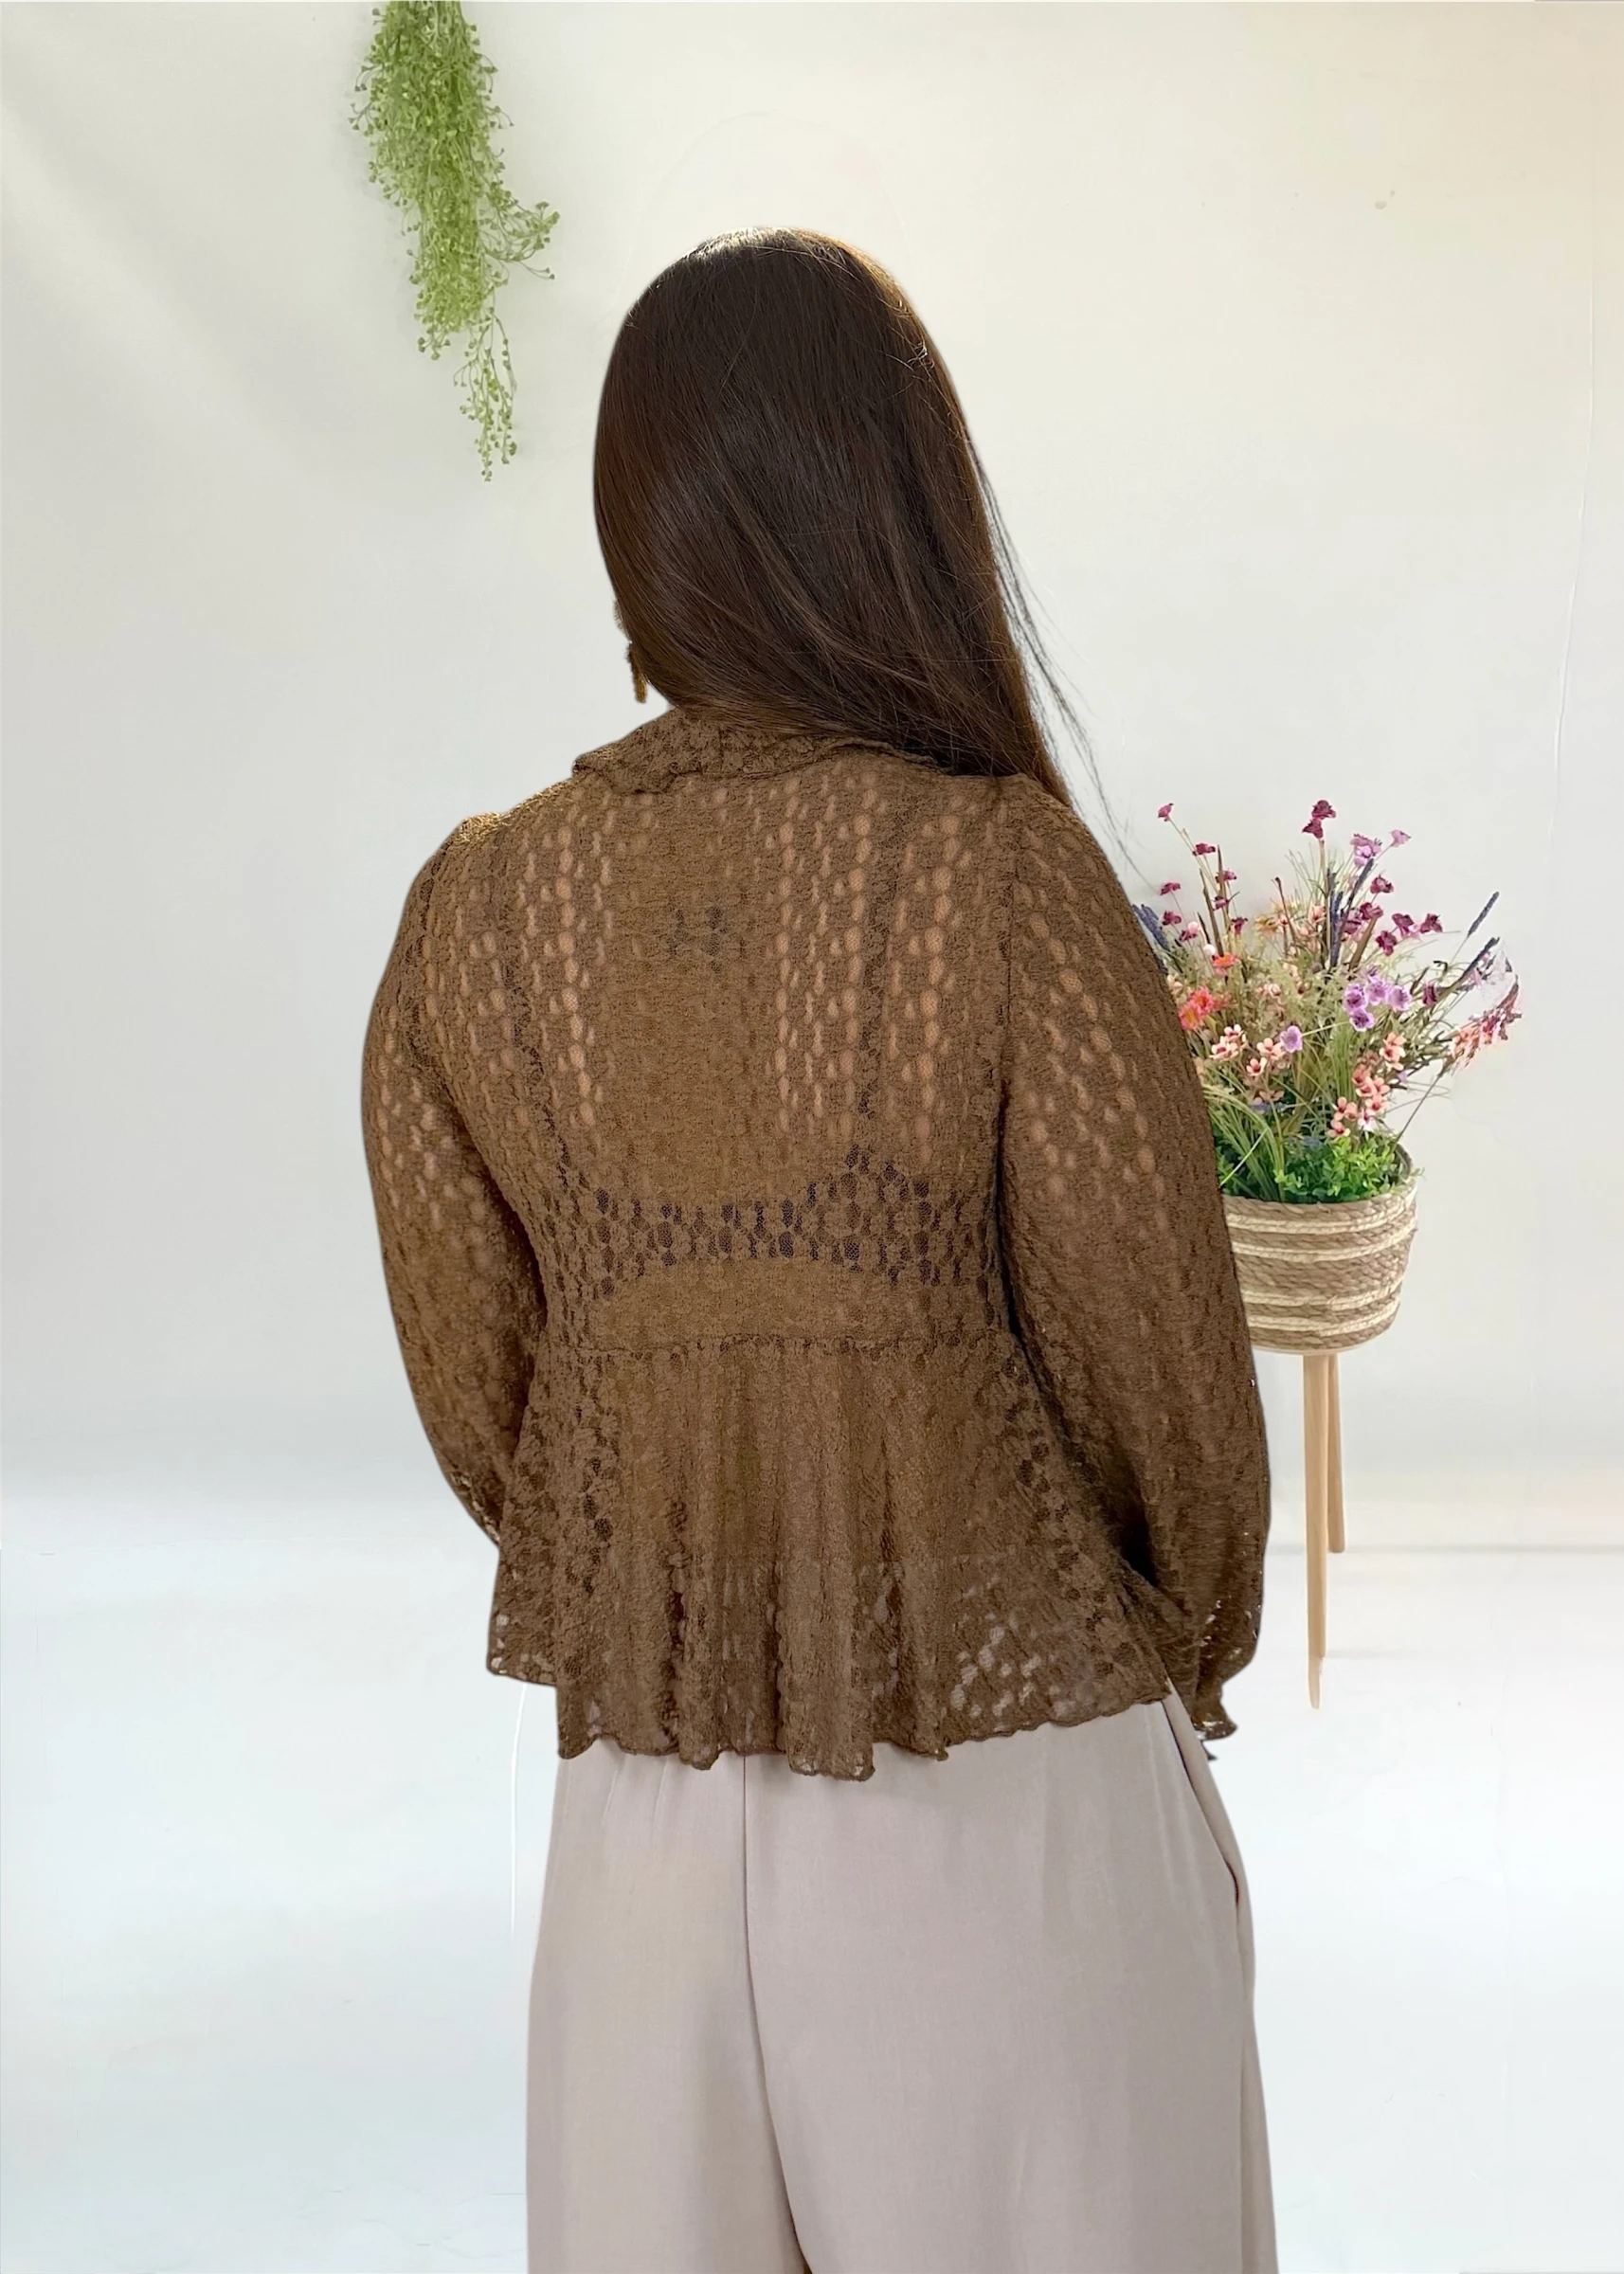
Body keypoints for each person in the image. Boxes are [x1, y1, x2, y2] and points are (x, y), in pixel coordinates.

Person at [362, 226, 1277, 2274]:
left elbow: (489, 1404)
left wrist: (694, 1554)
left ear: (637, 527)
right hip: (1004, 1782)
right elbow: (1163, 1395)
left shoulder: (476, 914)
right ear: (903, 511)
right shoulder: (998, 876)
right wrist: (1156, 1626)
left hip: (643, 1824)